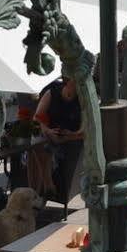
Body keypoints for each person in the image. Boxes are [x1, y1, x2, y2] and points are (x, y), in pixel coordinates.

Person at [27, 69, 85, 201]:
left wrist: (70, 135)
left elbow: (85, 131)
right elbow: (37, 118)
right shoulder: (52, 92)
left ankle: (42, 190)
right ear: (68, 81)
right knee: (37, 144)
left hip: (72, 140)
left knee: (39, 147)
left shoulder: (83, 98)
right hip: (50, 134)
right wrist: (48, 131)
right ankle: (45, 187)